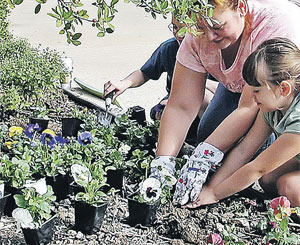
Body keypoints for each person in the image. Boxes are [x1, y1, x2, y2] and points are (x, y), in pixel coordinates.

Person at [144, 0, 300, 206]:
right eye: (200, 27)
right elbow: (181, 106)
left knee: (284, 183)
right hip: (270, 95)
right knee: (268, 178)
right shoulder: (270, 101)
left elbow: (256, 164)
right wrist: (165, 164)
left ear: (241, 8)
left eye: (217, 27)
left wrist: (216, 191)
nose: (209, 36)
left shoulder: (275, 27)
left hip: (283, 108)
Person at [184, 37, 300, 208]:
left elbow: (257, 168)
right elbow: (244, 150)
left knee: (289, 186)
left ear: (283, 88)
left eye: (257, 90)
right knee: (268, 180)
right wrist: (211, 186)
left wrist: (215, 194)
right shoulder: (272, 108)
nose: (252, 96)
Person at [103, 17, 217, 123]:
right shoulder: (170, 48)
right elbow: (145, 73)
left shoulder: (216, 49)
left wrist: (185, 93)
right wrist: (124, 83)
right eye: (175, 27)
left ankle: (207, 141)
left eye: (184, 29)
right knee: (161, 111)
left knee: (202, 96)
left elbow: (227, 93)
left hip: (211, 109)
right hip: (175, 103)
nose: (178, 34)